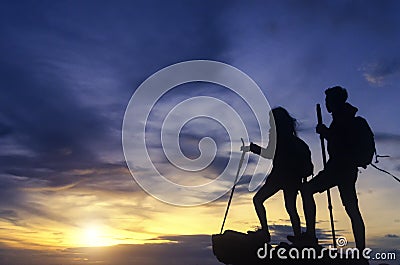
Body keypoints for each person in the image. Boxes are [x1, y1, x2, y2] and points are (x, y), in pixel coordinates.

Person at [300, 86, 366, 250]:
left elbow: (344, 143)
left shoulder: (345, 118)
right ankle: (361, 251)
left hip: (340, 169)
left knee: (307, 190)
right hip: (342, 169)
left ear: (336, 101)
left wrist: (326, 133)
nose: (327, 103)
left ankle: (310, 236)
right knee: (352, 208)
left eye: (329, 100)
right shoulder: (342, 117)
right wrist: (327, 132)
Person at [242, 107, 313, 242]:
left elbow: (270, 154)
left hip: (280, 176)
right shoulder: (294, 140)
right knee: (291, 207)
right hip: (291, 178)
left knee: (258, 200)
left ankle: (265, 232)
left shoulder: (278, 137)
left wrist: (255, 149)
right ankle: (297, 236)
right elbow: (272, 153)